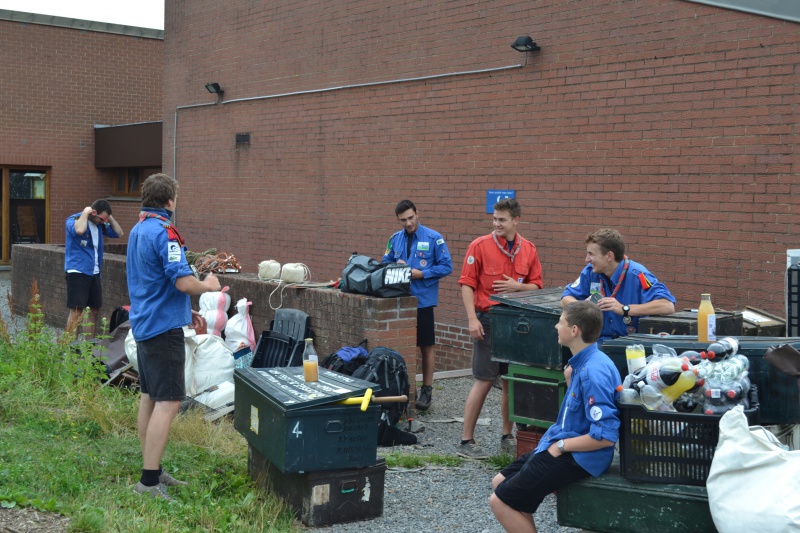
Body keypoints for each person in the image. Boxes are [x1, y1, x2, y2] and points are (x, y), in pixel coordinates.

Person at [127, 173, 221, 500]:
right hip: (162, 330)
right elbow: (183, 282)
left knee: (150, 397)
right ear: (170, 201)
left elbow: (153, 281)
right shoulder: (165, 232)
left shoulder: (138, 229)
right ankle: (148, 483)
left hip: (144, 322)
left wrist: (185, 311)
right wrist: (209, 285)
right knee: (169, 401)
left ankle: (151, 468)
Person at [489, 300, 621, 532]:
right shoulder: (582, 364)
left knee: (499, 501)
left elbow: (606, 436)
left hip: (578, 457)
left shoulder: (592, 372)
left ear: (574, 331)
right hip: (562, 445)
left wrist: (560, 446)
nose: (555, 327)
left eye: (560, 322)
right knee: (499, 482)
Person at [456, 198, 543, 459]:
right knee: (484, 380)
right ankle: (466, 441)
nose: (496, 224)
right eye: (494, 219)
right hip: (488, 320)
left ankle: (507, 436)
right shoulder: (479, 246)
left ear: (516, 220)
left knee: (510, 382)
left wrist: (519, 288)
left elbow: (537, 286)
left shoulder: (529, 249)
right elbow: (466, 284)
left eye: (502, 220)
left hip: (515, 323)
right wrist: (472, 319)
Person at [382, 200, 452, 410]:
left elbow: (446, 266)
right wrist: (396, 265)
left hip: (423, 302)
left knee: (426, 346)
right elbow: (384, 263)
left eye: (411, 218)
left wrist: (421, 273)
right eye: (403, 220)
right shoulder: (394, 239)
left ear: (417, 214)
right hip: (400, 302)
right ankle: (403, 388)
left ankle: (427, 390)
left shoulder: (433, 238)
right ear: (398, 220)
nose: (408, 223)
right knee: (401, 345)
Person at [561, 228, 675, 343]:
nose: (586, 259)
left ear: (609, 256)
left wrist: (624, 309)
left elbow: (667, 306)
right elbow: (565, 298)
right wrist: (583, 307)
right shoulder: (591, 272)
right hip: (598, 344)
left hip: (629, 345)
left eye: (591, 254)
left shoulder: (637, 275)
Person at [64, 199, 124, 338]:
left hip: (94, 272)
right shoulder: (74, 220)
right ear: (94, 212)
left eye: (105, 220)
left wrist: (108, 216)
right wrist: (86, 212)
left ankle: (88, 348)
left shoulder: (99, 224)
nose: (104, 222)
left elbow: (119, 232)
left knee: (94, 310)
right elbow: (79, 230)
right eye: (102, 219)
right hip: (78, 271)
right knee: (77, 311)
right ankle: (68, 349)